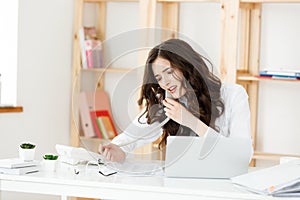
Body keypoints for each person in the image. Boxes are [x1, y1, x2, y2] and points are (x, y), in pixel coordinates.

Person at [99, 38, 252, 163]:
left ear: (186, 66)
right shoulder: (167, 100)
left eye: (169, 72)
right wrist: (117, 149)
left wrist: (191, 121)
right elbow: (131, 137)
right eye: (159, 78)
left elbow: (242, 155)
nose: (165, 83)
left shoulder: (233, 95)